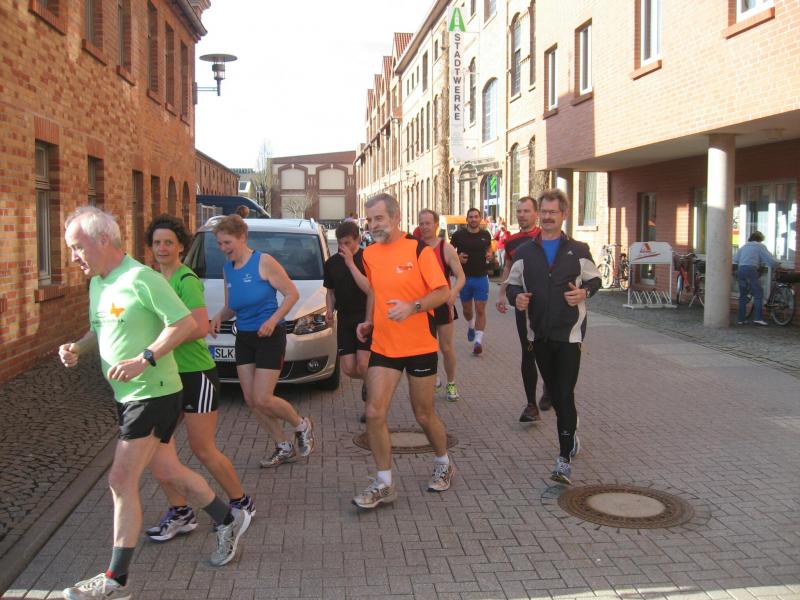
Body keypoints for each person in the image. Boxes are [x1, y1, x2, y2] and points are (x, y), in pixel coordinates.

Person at [59, 207, 251, 599]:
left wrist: (145, 358)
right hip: (127, 395)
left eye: (77, 247)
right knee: (168, 470)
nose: (73, 257)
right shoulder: (99, 283)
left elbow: (184, 323)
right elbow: (100, 328)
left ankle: (116, 580)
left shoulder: (141, 278)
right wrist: (77, 348)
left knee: (120, 480)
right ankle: (227, 519)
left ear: (102, 240)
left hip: (154, 393)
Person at [143, 214, 255, 543]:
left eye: (169, 242)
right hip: (166, 377)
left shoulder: (186, 279)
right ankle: (180, 512)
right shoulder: (152, 280)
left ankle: (241, 502)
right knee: (156, 447)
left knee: (202, 448)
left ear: (181, 246)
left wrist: (159, 342)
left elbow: (198, 327)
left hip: (196, 375)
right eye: (157, 242)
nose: (162, 248)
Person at [352, 193, 453, 509]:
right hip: (384, 345)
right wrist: (369, 320)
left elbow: (443, 292)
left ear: (396, 217)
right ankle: (384, 483)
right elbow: (375, 291)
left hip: (420, 345)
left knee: (423, 414)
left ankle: (443, 462)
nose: (373, 225)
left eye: (379, 218)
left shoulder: (419, 250)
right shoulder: (369, 254)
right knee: (374, 412)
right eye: (370, 220)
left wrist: (413, 306)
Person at [506, 189, 601, 485]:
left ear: (564, 214)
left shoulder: (578, 249)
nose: (547, 217)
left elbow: (595, 279)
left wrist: (584, 292)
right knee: (558, 396)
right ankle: (571, 433)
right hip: (538, 333)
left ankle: (563, 459)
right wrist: (516, 298)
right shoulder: (524, 252)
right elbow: (511, 285)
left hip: (569, 334)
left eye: (553, 212)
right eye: (544, 212)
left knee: (564, 392)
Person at [209, 215, 316, 468]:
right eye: (219, 244)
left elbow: (291, 294)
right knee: (250, 400)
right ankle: (283, 446)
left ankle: (301, 425)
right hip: (244, 338)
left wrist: (273, 320)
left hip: (270, 336)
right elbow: (231, 306)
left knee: (263, 398)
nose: (223, 248)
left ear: (242, 237)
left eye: (227, 242)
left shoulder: (264, 262)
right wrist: (218, 317)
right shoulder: (227, 269)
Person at [496, 196, 551, 423]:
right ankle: (531, 405)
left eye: (526, 211)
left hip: (548, 307)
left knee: (548, 351)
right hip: (524, 305)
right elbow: (509, 268)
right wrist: (502, 293)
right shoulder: (512, 242)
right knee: (528, 353)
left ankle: (549, 387)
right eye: (519, 211)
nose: (522, 215)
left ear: (536, 213)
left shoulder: (547, 238)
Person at [324, 220, 371, 420]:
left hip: (365, 317)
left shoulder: (367, 258)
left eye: (348, 243)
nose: (344, 247)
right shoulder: (332, 263)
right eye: (340, 243)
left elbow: (369, 289)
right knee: (349, 368)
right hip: (344, 318)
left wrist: (351, 264)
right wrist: (329, 310)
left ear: (358, 240)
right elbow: (330, 292)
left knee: (363, 364)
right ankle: (373, 379)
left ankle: (370, 407)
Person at [418, 208, 466, 402]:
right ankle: (434, 378)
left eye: (428, 223)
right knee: (425, 348)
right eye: (421, 223)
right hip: (422, 305)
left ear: (436, 225)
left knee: (445, 347)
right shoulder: (415, 247)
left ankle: (451, 382)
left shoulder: (445, 248)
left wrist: (453, 293)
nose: (424, 227)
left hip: (442, 304)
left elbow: (461, 276)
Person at [450, 208, 493, 355]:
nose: (473, 219)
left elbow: (489, 248)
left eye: (476, 217)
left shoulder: (485, 234)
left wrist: (490, 254)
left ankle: (478, 342)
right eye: (471, 217)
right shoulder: (458, 235)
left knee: (480, 309)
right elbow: (449, 252)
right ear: (467, 219)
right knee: (467, 310)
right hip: (464, 278)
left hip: (481, 277)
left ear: (480, 219)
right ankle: (470, 325)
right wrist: (457, 257)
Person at [733, 231, 781, 325]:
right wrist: (778, 264)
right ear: (760, 239)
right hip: (751, 270)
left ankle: (741, 319)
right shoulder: (760, 246)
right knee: (758, 293)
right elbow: (770, 260)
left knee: (743, 295)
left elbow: (735, 259)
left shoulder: (744, 246)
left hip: (741, 270)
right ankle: (758, 318)